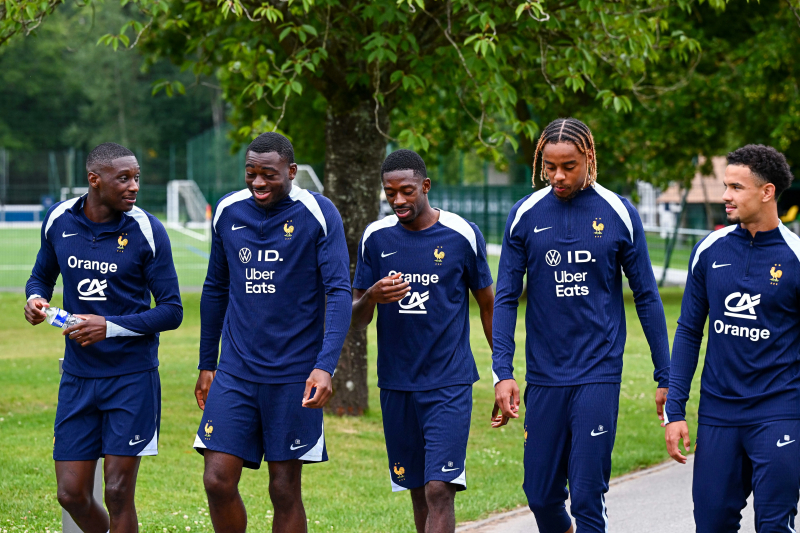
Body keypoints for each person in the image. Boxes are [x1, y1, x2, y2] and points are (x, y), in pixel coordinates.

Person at [491, 118, 670, 533]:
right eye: (549, 166)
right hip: (544, 375)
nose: (557, 176)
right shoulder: (525, 214)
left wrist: (666, 376)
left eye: (568, 166)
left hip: (598, 372)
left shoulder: (619, 212)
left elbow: (646, 295)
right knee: (540, 495)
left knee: (588, 494)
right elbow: (505, 297)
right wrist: (503, 372)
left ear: (588, 157)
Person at [193, 132, 351, 532]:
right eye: (251, 173)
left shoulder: (319, 213)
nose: (258, 182)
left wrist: (325, 366)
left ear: (292, 171)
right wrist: (207, 363)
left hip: (294, 374)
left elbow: (338, 291)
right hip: (236, 371)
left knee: (283, 488)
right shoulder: (228, 211)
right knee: (217, 479)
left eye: (269, 174)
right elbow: (215, 288)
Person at [24, 142, 183, 533]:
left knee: (117, 492)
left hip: (131, 378)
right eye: (123, 178)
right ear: (94, 180)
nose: (134, 186)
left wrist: (108, 326)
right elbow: (41, 275)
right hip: (78, 377)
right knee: (71, 494)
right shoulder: (59, 218)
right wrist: (35, 298)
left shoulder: (147, 230)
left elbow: (172, 310)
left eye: (137, 178)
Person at [351, 149, 495, 533]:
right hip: (396, 384)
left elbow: (488, 305)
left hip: (449, 381)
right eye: (390, 193)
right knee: (417, 490)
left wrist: (503, 373)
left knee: (439, 489)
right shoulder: (376, 237)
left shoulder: (462, 234)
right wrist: (372, 297)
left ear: (425, 186)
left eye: (407, 191)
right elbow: (356, 319)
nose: (398, 200)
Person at [665, 145, 800, 532]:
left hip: (779, 411)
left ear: (767, 192)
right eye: (726, 185)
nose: (726, 195)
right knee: (711, 524)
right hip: (718, 414)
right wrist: (675, 411)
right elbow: (689, 332)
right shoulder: (709, 250)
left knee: (774, 525)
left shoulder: (795, 257)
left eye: (736, 187)